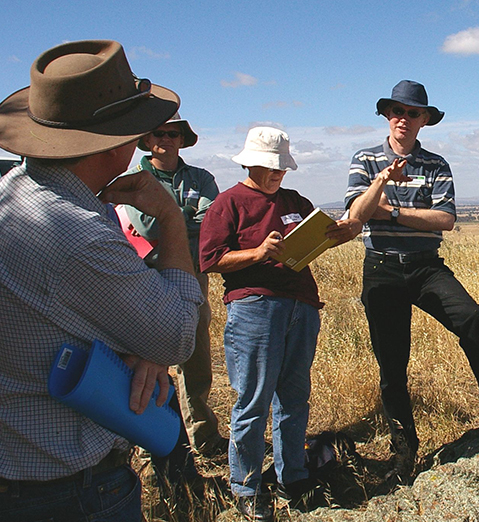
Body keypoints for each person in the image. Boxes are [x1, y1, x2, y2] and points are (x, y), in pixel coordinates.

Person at [0, 40, 202, 521]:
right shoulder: (78, 234)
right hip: (67, 488)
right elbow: (177, 337)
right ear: (117, 141)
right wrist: (172, 219)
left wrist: (127, 341)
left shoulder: (14, 195)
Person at [345, 80, 479, 482]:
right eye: (396, 111)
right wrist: (381, 184)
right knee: (392, 364)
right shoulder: (365, 159)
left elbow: (445, 219)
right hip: (382, 267)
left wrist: (390, 213)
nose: (402, 119)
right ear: (387, 115)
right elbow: (356, 213)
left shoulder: (436, 165)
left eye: (412, 113)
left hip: (426, 266)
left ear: (425, 119)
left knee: (473, 318)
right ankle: (404, 451)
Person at [200, 127, 359, 521]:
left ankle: (294, 479)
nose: (277, 175)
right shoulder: (228, 203)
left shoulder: (294, 200)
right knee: (252, 401)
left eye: (282, 168)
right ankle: (247, 488)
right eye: (272, 168)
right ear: (249, 162)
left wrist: (340, 232)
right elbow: (211, 259)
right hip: (254, 307)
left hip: (300, 306)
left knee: (293, 398)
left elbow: (318, 237)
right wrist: (257, 253)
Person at [123, 113, 226, 457]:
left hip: (194, 277)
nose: (166, 139)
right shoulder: (134, 178)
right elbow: (149, 227)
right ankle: (159, 441)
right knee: (149, 361)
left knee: (196, 359)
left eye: (173, 133)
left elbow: (213, 224)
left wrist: (170, 217)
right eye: (158, 133)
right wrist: (186, 215)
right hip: (146, 278)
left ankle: (203, 436)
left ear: (183, 139)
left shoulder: (201, 176)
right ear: (146, 139)